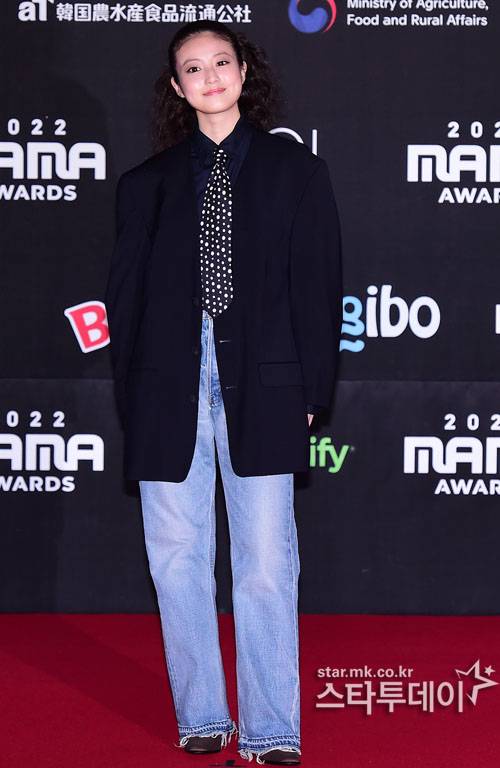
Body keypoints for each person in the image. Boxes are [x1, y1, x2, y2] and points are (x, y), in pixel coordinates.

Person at [104, 19, 343, 766]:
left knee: (266, 562)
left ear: (244, 73)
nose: (209, 77)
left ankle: (272, 729)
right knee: (177, 557)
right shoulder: (146, 185)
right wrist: (132, 395)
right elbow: (125, 304)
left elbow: (318, 288)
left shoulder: (294, 171)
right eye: (193, 68)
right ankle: (203, 714)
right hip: (165, 385)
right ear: (177, 88)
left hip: (266, 385)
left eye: (221, 62)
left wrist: (312, 388)